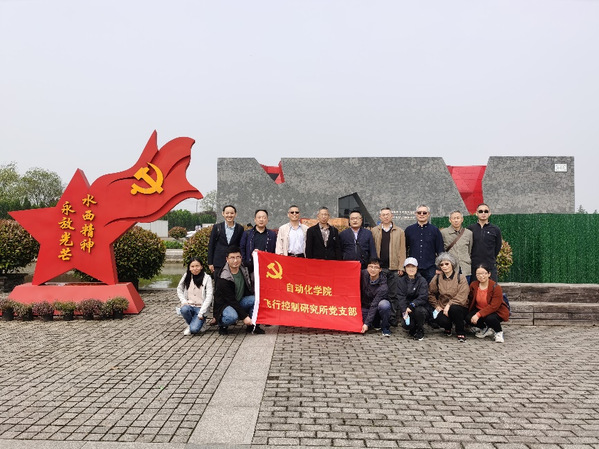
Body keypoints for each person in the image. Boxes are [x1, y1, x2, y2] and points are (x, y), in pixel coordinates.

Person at [213, 246, 264, 335]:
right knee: (232, 316)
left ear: (241, 258)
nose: (235, 261)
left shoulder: (244, 267)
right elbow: (231, 300)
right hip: (226, 304)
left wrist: (256, 255)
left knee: (256, 300)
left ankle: (252, 326)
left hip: (240, 300)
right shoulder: (223, 277)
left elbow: (255, 265)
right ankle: (222, 325)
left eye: (238, 257)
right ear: (227, 259)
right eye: (232, 258)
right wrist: (244, 317)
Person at [371, 207, 406, 326]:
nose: (385, 217)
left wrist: (401, 267)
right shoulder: (374, 231)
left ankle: (392, 318)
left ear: (392, 216)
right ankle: (377, 318)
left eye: (388, 214)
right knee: (378, 293)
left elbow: (402, 250)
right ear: (380, 217)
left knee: (393, 294)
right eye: (383, 215)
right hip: (379, 268)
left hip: (394, 268)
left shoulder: (399, 231)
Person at [428, 252, 470, 342]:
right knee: (441, 320)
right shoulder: (437, 278)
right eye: (442, 264)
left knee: (454, 309)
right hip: (442, 307)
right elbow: (430, 293)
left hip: (459, 307)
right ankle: (448, 327)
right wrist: (436, 306)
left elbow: (462, 295)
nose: (444, 266)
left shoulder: (460, 277)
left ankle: (460, 332)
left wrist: (449, 305)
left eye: (447, 264)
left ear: (452, 264)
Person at [466, 264, 509, 343]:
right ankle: (484, 328)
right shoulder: (474, 285)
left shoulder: (496, 287)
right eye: (478, 274)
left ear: (489, 274)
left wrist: (478, 314)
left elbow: (494, 306)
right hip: (479, 309)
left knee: (490, 318)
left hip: (496, 311)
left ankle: (498, 332)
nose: (481, 276)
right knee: (468, 317)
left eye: (484, 273)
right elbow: (470, 298)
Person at [404, 205, 444, 283]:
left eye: (424, 213)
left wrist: (439, 268)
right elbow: (403, 249)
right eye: (419, 212)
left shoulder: (435, 230)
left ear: (428, 214)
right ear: (416, 214)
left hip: (430, 268)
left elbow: (440, 251)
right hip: (413, 268)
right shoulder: (409, 230)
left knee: (431, 290)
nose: (421, 214)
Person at [177, 258, 213, 336]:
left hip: (200, 307)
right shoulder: (187, 276)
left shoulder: (207, 278)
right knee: (184, 309)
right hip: (189, 305)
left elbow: (209, 296)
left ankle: (196, 324)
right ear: (189, 268)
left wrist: (201, 312)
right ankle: (191, 324)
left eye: (197, 266)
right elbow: (179, 289)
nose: (195, 268)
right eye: (192, 266)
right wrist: (184, 301)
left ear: (201, 267)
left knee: (194, 330)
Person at [467, 203, 502, 282]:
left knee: (492, 288)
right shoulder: (470, 229)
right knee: (474, 288)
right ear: (476, 213)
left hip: (490, 265)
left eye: (486, 211)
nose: (483, 213)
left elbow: (498, 246)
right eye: (481, 211)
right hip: (474, 266)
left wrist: (490, 257)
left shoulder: (495, 229)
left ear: (489, 213)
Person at [396, 257, 429, 341]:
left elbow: (423, 296)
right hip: (406, 308)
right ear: (405, 268)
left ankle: (420, 329)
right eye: (408, 267)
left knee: (420, 311)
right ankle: (413, 328)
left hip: (419, 307)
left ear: (417, 268)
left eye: (413, 266)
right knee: (406, 325)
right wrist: (404, 310)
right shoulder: (401, 281)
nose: (411, 269)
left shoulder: (422, 280)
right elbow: (401, 297)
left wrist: (413, 304)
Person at [207, 205, 245, 275]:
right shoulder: (217, 227)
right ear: (223, 214)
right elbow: (211, 245)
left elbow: (240, 246)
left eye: (232, 213)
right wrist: (210, 263)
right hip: (218, 262)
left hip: (234, 263)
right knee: (219, 281)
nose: (229, 215)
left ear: (235, 214)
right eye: (227, 213)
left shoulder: (240, 228)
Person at [359, 258, 391, 336]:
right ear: (367, 268)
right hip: (365, 306)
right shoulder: (363, 274)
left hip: (376, 307)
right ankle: (374, 323)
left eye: (376, 267)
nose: (373, 270)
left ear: (380, 270)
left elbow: (374, 305)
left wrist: (366, 324)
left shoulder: (383, 287)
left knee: (384, 305)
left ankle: (385, 327)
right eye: (370, 266)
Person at [441, 210, 473, 283]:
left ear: (462, 219)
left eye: (458, 218)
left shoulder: (468, 233)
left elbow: (469, 250)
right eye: (454, 218)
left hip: (465, 268)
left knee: (465, 288)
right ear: (450, 220)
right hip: (450, 268)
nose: (456, 220)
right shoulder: (444, 233)